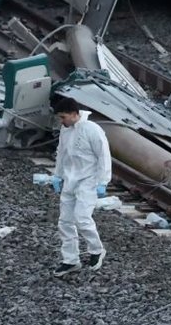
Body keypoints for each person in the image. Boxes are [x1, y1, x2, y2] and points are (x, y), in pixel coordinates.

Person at [50, 97, 112, 277]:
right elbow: (61, 153)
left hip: (89, 180)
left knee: (82, 218)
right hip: (70, 180)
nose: (61, 121)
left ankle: (96, 250)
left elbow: (103, 156)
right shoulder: (66, 130)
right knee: (65, 221)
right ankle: (70, 260)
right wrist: (58, 175)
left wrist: (103, 181)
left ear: (74, 114)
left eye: (63, 117)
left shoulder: (92, 129)